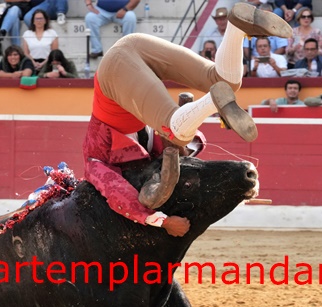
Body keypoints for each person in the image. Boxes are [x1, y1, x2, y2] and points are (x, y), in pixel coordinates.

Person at [82, 3, 291, 236]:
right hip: (134, 43)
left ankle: (212, 101)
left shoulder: (94, 159)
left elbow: (115, 192)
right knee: (221, 79)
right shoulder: (150, 149)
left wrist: (161, 221)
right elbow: (190, 141)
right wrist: (182, 148)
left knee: (176, 130)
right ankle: (236, 28)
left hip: (113, 72)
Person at [22, 8, 56, 72]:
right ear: (33, 21)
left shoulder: (52, 33)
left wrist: (43, 63)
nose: (39, 21)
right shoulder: (27, 34)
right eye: (37, 19)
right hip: (31, 62)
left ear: (45, 21)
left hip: (47, 62)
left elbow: (54, 52)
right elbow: (26, 53)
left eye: (41, 18)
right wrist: (34, 63)